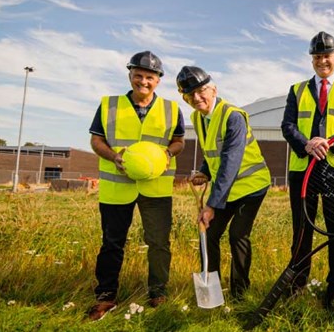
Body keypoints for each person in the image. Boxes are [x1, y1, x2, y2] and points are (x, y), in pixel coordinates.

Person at [87, 51, 185, 320]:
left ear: (158, 80)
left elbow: (179, 141)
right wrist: (114, 156)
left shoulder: (172, 108)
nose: (143, 81)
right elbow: (96, 141)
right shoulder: (109, 105)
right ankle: (106, 296)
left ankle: (157, 291)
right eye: (138, 75)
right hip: (117, 187)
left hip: (156, 188)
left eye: (150, 77)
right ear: (130, 75)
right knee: (112, 243)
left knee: (159, 243)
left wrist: (167, 154)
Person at [280, 31, 334, 309]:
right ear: (312, 60)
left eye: (327, 55)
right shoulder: (297, 90)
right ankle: (297, 283)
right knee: (302, 229)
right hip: (303, 169)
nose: (322, 60)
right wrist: (307, 145)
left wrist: (329, 144)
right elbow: (288, 126)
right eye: (317, 56)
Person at [177, 66, 271, 300]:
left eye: (201, 91)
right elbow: (213, 151)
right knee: (209, 235)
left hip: (251, 186)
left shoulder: (233, 116)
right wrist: (203, 171)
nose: (196, 98)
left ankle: (240, 294)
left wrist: (211, 205)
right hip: (226, 189)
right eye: (189, 95)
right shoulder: (198, 118)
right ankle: (213, 291)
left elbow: (230, 161)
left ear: (213, 89)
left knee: (238, 235)